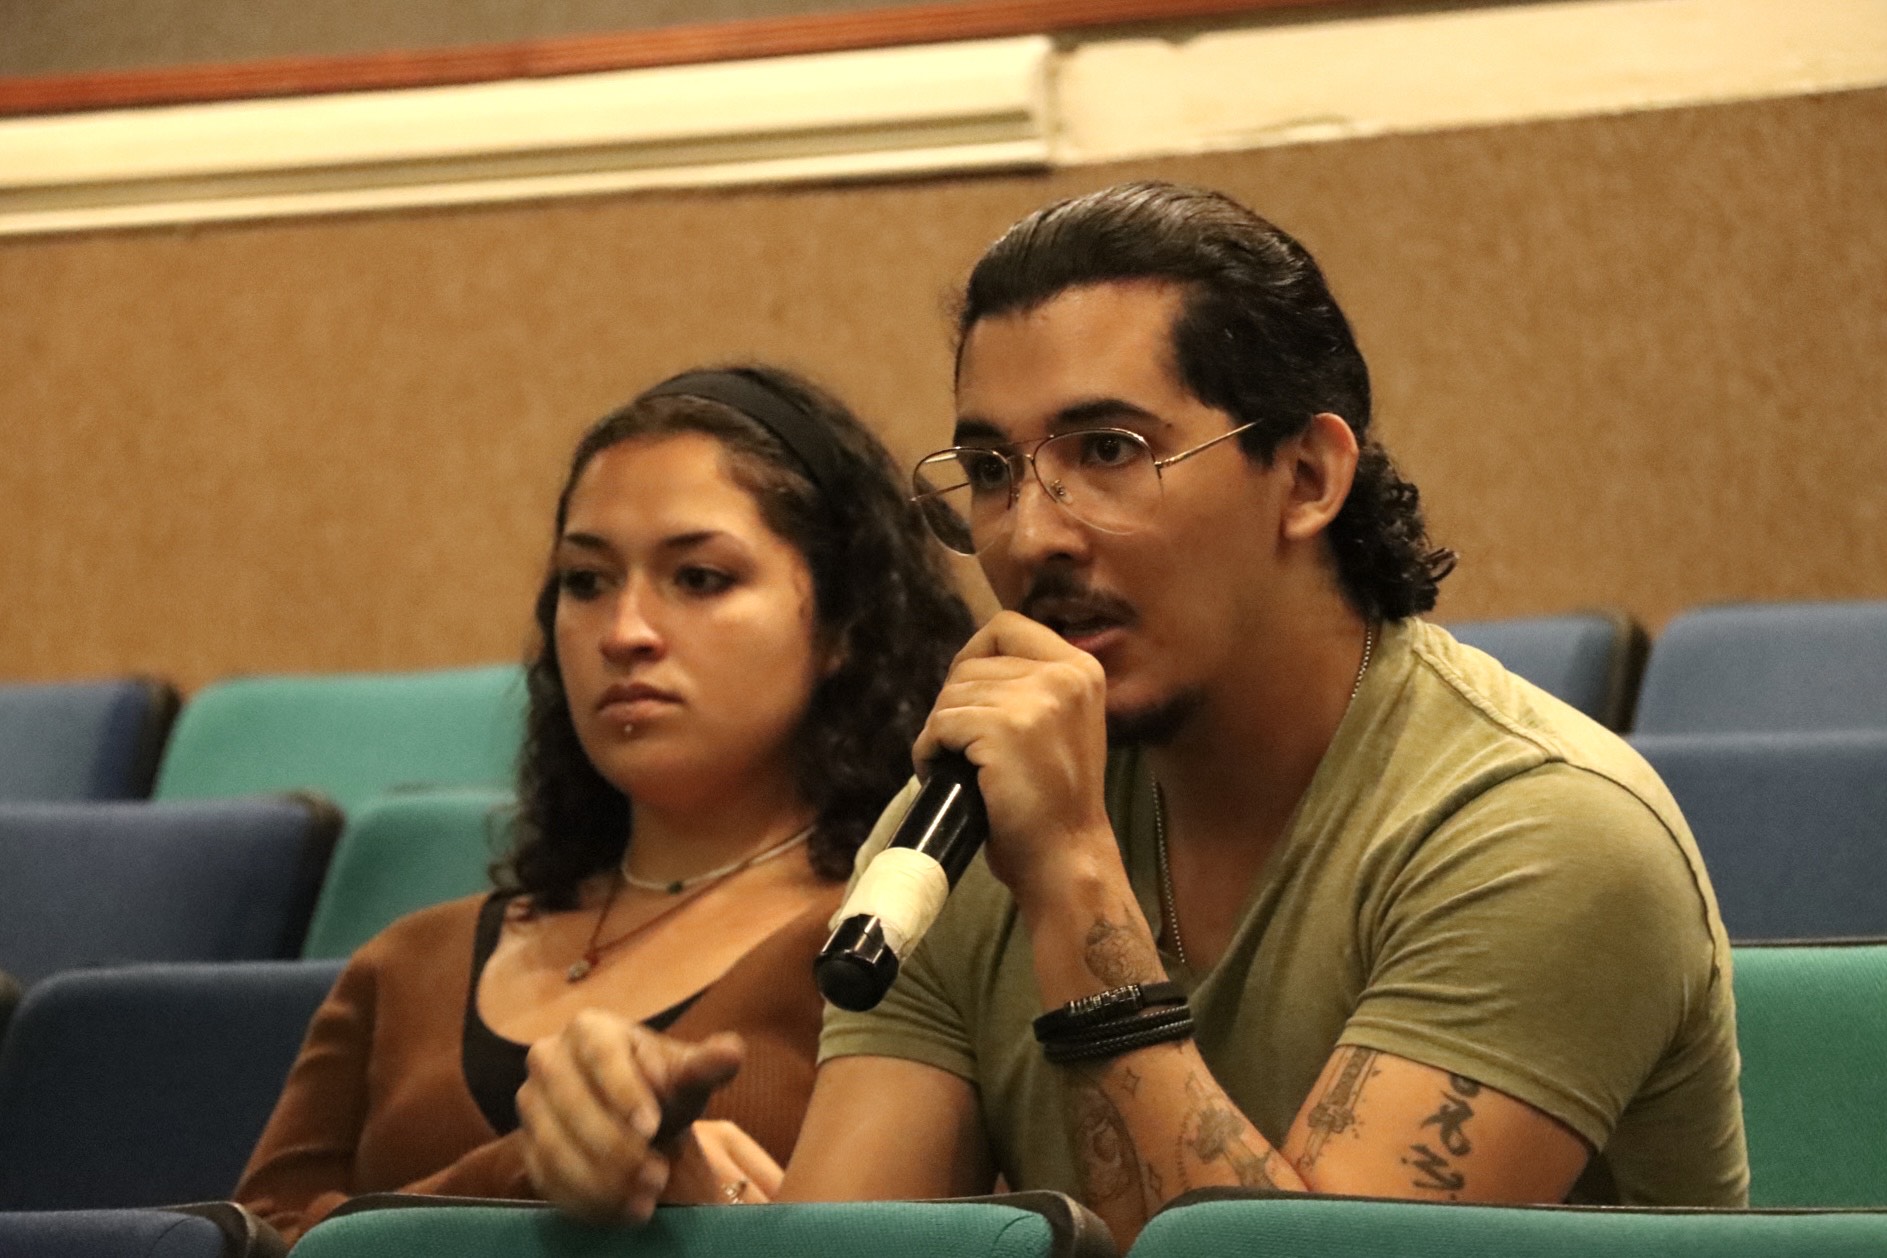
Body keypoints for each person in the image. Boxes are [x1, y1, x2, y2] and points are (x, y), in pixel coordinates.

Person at [519, 183, 1748, 1239]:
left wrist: (1073, 879)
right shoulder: (956, 827)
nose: (1031, 535)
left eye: (1108, 450)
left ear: (1307, 475)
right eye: (991, 471)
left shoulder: (1542, 834)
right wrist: (666, 1183)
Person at [234, 365, 973, 1244]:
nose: (624, 633)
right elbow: (253, 1241)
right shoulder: (408, 964)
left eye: (698, 578)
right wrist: (529, 1169)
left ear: (843, 625)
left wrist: (719, 1217)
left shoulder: (896, 939)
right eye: (585, 582)